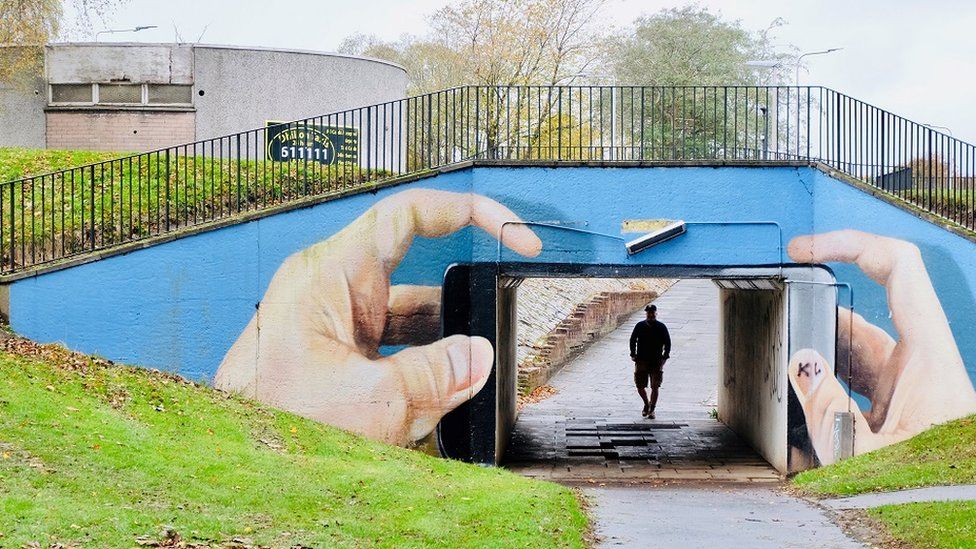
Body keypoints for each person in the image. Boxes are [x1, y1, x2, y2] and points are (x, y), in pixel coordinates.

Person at [630, 304, 671, 419]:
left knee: (655, 386)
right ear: (646, 314)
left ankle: (652, 409)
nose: (651, 314)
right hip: (641, 360)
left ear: (656, 313)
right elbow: (633, 340)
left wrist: (665, 357)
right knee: (640, 385)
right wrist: (633, 354)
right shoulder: (640, 326)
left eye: (652, 312)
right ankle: (646, 403)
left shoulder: (661, 327)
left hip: (656, 360)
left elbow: (667, 342)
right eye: (649, 313)